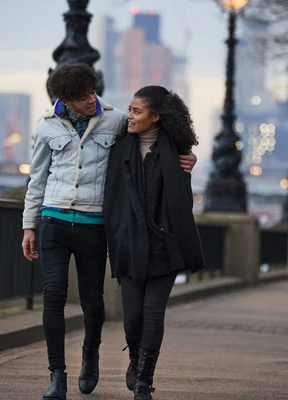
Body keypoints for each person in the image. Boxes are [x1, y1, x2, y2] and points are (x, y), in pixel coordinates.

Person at [21, 65, 196, 400]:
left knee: (92, 302)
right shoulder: (46, 125)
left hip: (93, 224)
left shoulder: (116, 120)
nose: (91, 99)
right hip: (54, 219)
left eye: (92, 92)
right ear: (66, 101)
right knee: (53, 294)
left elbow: (157, 139)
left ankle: (91, 353)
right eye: (82, 97)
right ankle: (57, 375)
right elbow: (38, 178)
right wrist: (29, 225)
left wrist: (189, 157)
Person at [103, 85, 206, 400]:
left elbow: (182, 199)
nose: (130, 116)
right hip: (130, 244)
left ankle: (145, 379)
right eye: (130, 110)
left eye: (137, 111)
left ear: (156, 117)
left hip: (164, 245)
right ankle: (135, 359)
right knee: (132, 316)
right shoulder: (120, 146)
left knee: (153, 311)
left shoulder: (177, 151)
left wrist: (190, 159)